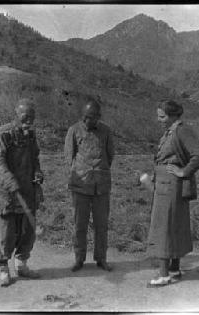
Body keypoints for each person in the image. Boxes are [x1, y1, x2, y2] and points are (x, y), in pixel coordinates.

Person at [146, 99, 199, 287]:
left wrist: (184, 171)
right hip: (168, 185)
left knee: (163, 228)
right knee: (174, 226)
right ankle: (174, 269)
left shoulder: (181, 131)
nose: (159, 119)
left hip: (170, 186)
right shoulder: (172, 131)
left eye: (162, 116)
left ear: (173, 116)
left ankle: (164, 274)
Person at [0, 98, 44, 287]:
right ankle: (3, 270)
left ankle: (21, 265)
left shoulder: (31, 136)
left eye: (32, 117)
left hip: (27, 190)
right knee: (5, 232)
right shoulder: (3, 134)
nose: (29, 121)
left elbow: (35, 158)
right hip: (6, 192)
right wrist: (11, 182)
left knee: (27, 232)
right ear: (16, 115)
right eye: (25, 116)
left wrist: (37, 172)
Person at [64, 99, 115, 272]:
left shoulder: (106, 131)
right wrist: (81, 172)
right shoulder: (73, 130)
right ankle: (79, 259)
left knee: (102, 225)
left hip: (101, 186)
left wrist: (99, 171)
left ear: (98, 117)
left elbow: (110, 155)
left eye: (92, 117)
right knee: (80, 224)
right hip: (80, 186)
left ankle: (101, 258)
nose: (88, 121)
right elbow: (69, 156)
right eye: (85, 117)